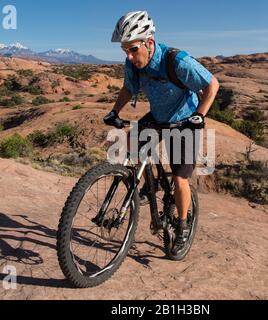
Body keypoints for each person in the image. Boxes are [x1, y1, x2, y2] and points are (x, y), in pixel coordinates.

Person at [103, 11, 219, 254]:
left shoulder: (177, 61)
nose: (129, 56)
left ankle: (183, 226)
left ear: (149, 42)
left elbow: (211, 85)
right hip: (157, 117)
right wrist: (114, 111)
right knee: (126, 148)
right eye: (125, 50)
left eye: (133, 49)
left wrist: (200, 115)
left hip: (184, 122)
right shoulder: (132, 63)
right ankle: (147, 184)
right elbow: (128, 88)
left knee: (179, 178)